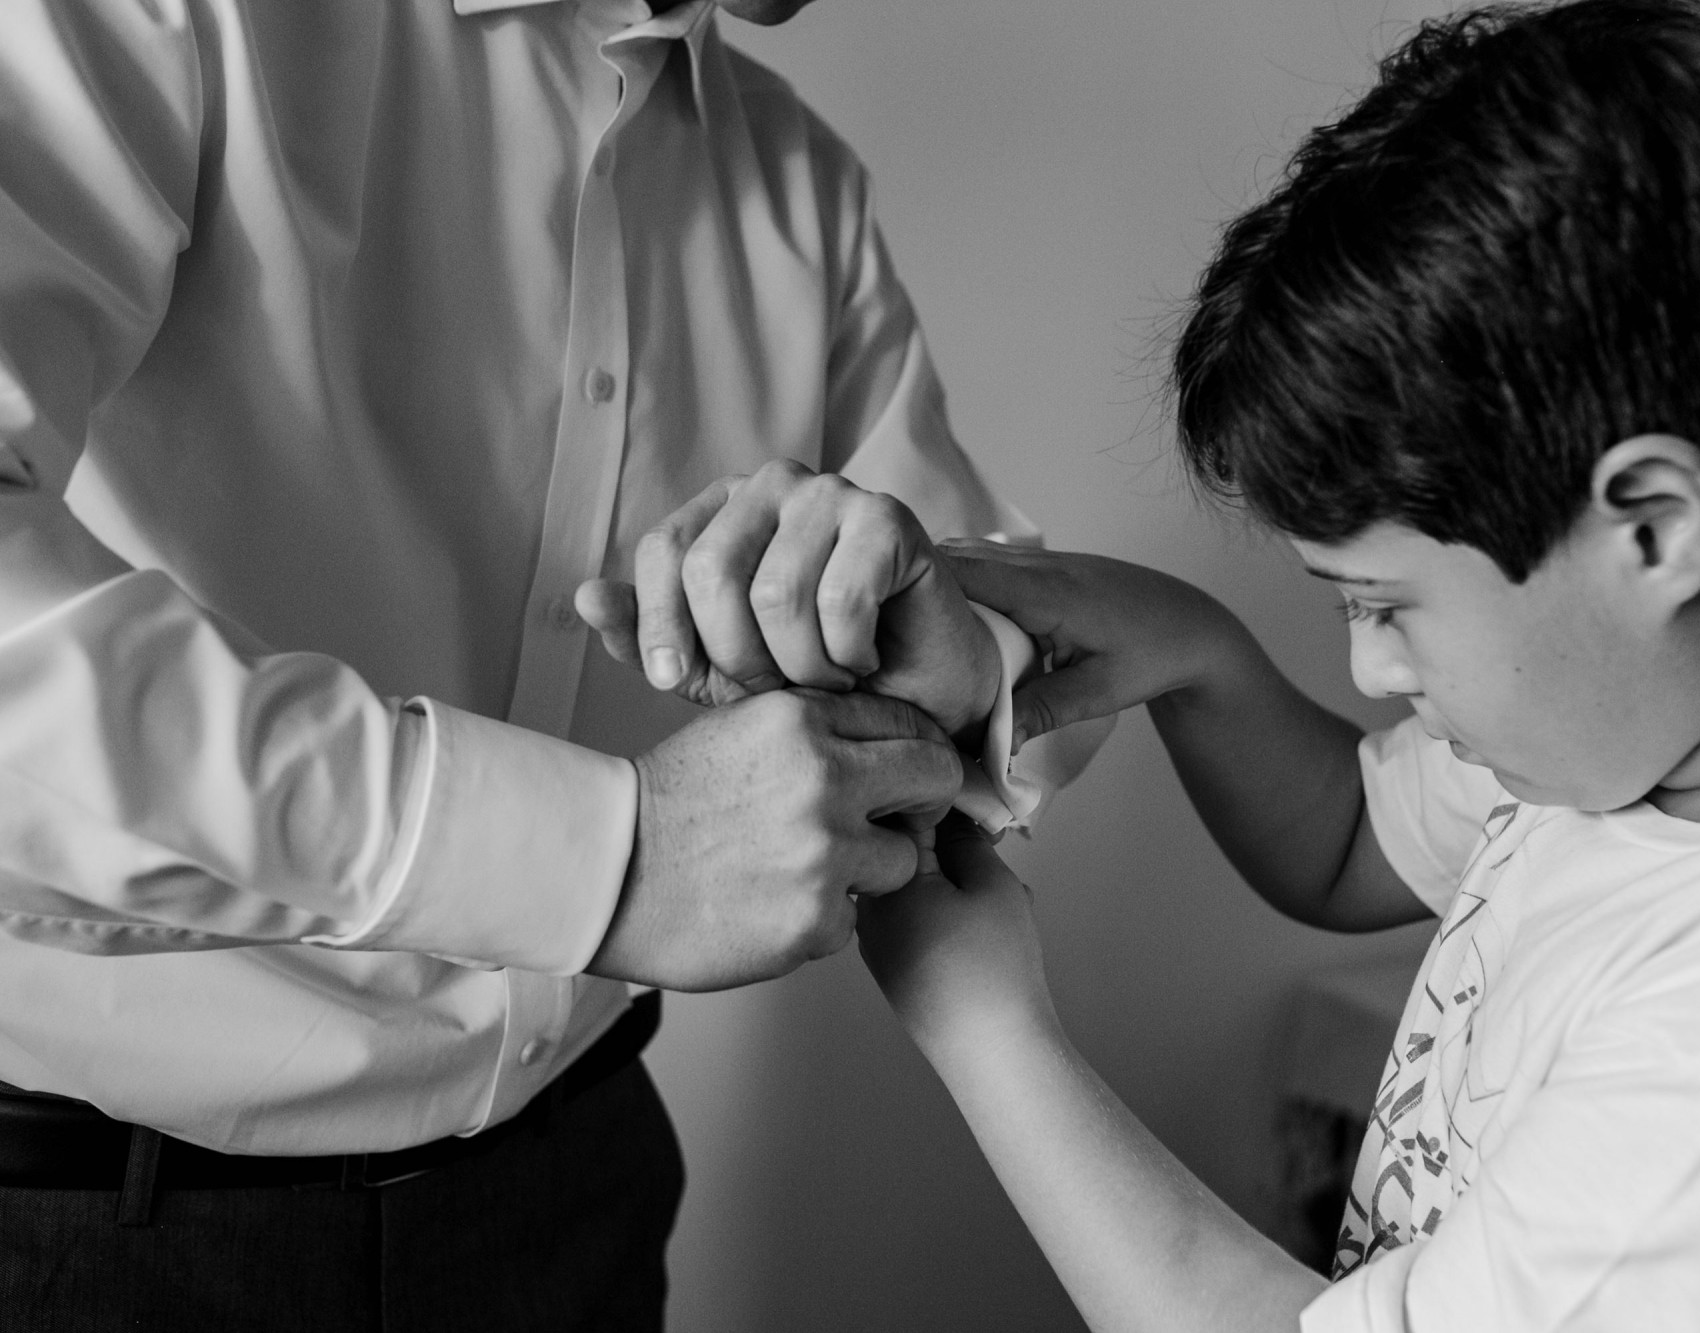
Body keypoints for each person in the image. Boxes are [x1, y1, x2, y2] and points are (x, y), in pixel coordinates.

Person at [738, 0, 1700, 1327]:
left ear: (1653, 527)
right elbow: (1348, 838)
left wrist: (979, 1021)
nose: (1376, 667)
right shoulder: (1659, 728)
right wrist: (1189, 646)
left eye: (1382, 602)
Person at [0, 0, 1080, 1328]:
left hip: (577, 1197)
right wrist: (606, 858)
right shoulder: (159, 21)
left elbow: (1012, 687)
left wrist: (970, 670)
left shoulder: (803, 191)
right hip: (87, 1231)